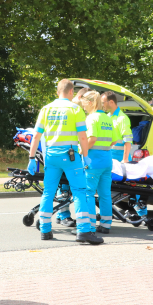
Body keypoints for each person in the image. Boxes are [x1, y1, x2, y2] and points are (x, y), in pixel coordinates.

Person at [27, 79, 103, 244]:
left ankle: (46, 231)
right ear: (71, 92)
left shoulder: (46, 109)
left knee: (48, 192)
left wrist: (31, 158)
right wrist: (86, 155)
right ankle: (83, 232)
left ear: (57, 91)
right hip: (71, 157)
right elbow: (83, 136)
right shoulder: (75, 109)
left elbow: (36, 136)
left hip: (51, 157)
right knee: (79, 192)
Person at [102, 91, 146, 220]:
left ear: (111, 102)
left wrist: (125, 159)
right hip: (110, 158)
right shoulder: (106, 117)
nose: (102, 105)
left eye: (103, 102)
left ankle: (142, 215)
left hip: (120, 158)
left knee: (133, 189)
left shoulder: (122, 118)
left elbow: (128, 141)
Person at [79, 91, 115, 233]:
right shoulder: (107, 118)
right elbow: (114, 140)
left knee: (88, 192)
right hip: (107, 158)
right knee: (105, 194)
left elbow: (92, 138)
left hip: (93, 160)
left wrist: (82, 150)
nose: (83, 107)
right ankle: (106, 225)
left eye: (83, 103)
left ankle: (90, 225)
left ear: (90, 102)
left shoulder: (91, 118)